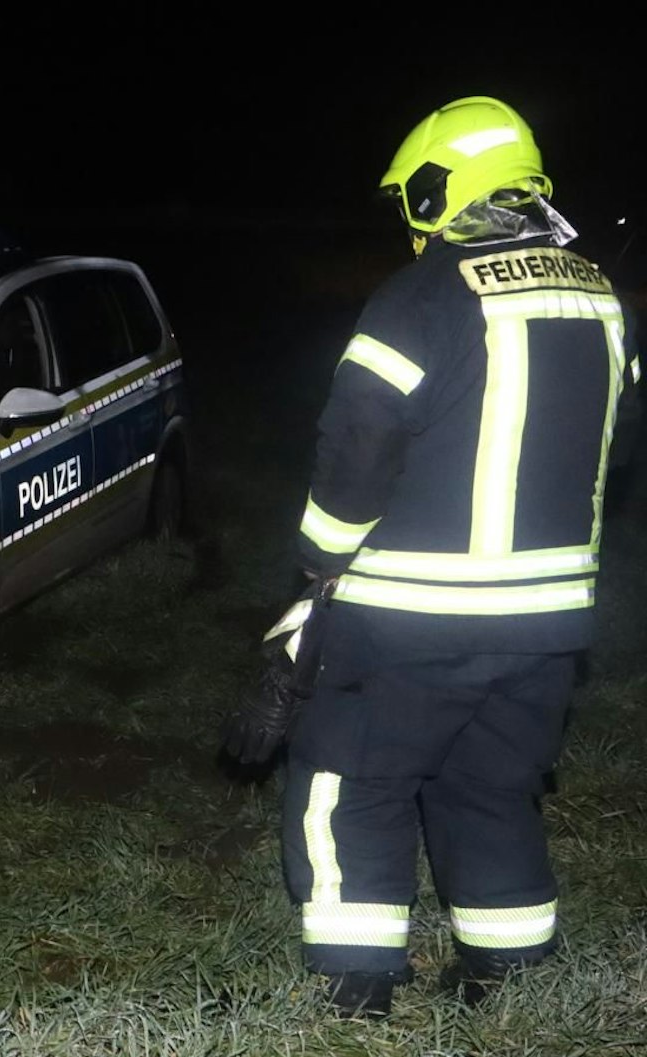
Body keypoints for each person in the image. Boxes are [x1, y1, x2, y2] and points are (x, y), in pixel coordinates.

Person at [225, 95, 642, 1017]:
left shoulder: (424, 294)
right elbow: (618, 442)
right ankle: (510, 977)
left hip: (412, 612)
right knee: (490, 787)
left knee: (348, 782)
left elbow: (359, 437)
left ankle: (354, 986)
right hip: (548, 622)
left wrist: (318, 559)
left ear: (437, 187)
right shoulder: (596, 289)